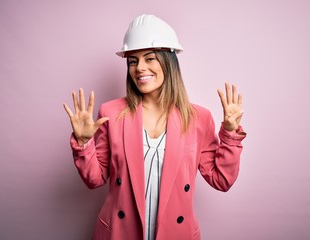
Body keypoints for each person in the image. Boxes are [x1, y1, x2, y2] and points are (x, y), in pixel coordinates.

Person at [63, 14, 246, 240]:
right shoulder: (110, 113)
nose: (140, 68)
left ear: (168, 62)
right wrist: (83, 143)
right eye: (133, 61)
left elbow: (222, 180)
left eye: (149, 58)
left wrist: (230, 135)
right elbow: (95, 179)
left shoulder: (198, 118)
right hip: (120, 234)